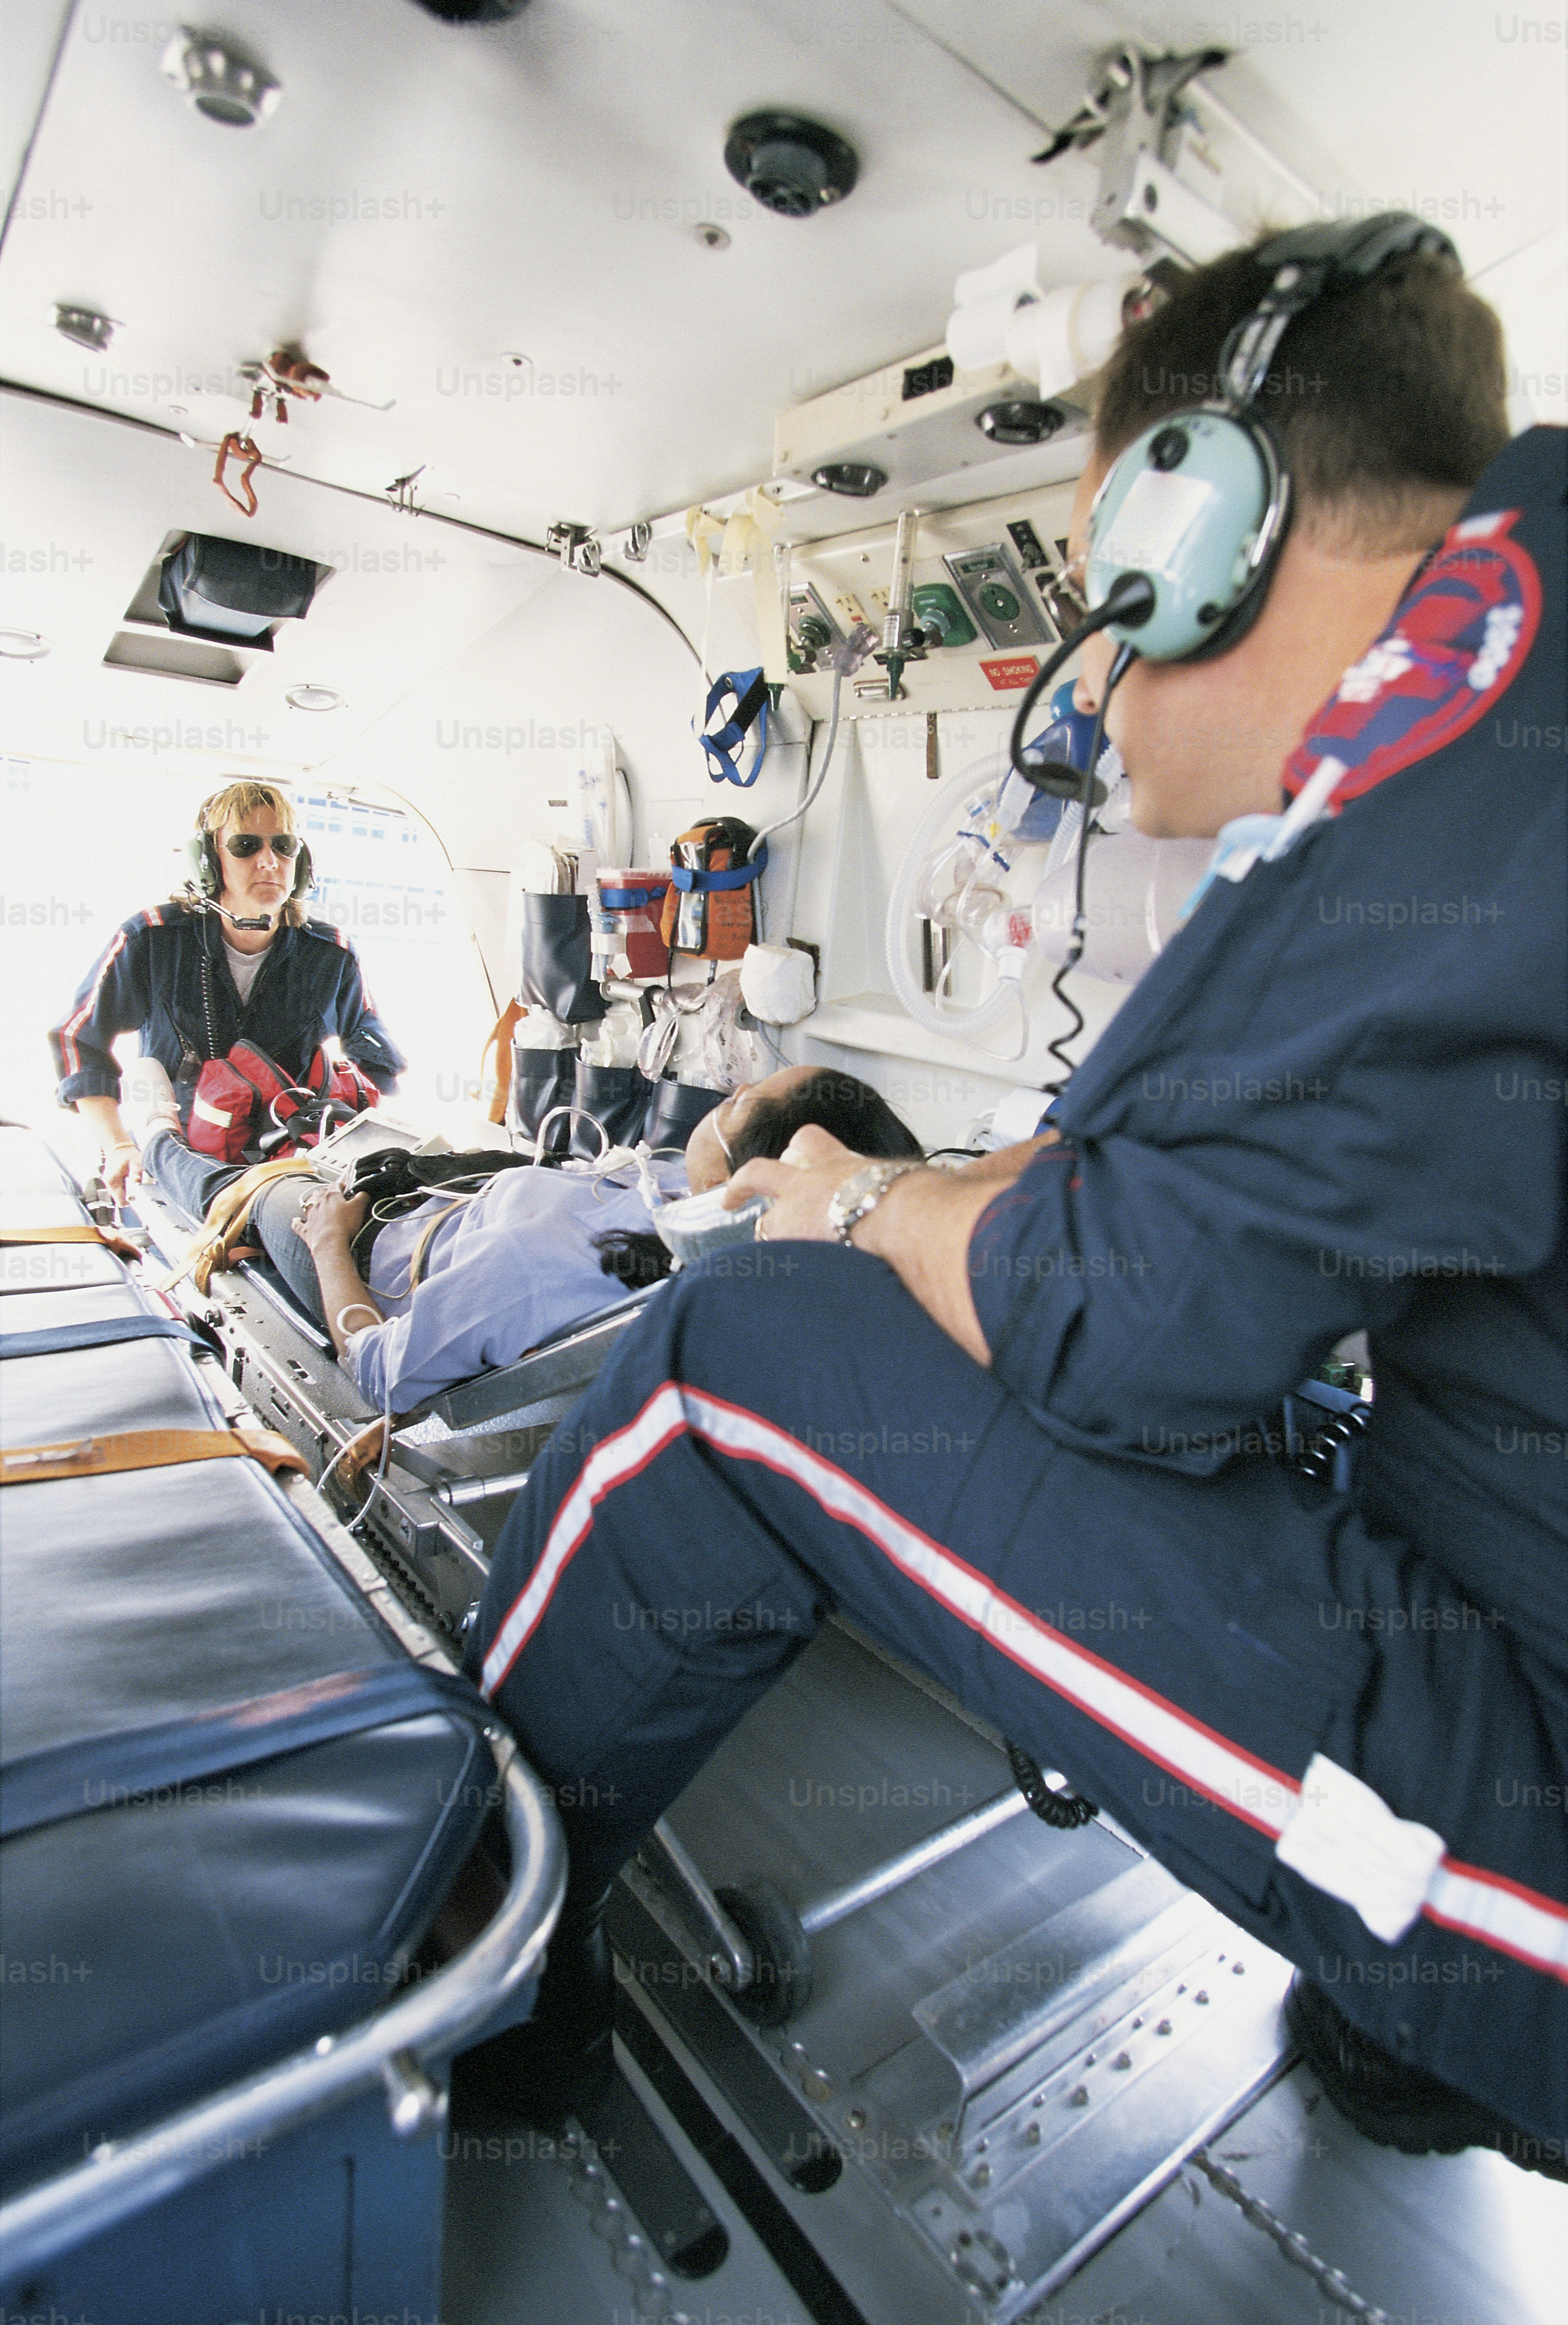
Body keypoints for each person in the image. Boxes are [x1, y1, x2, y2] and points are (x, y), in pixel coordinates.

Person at [467, 224, 1568, 2167]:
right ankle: (1434, 2026)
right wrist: (938, 1192)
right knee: (1310, 1402)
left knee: (737, 1349)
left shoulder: (1467, 704)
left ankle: (452, 1964)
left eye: (1096, 593)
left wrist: (864, 1208)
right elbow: (1248, 1225)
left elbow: (1119, 1321)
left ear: (1197, 517)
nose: (1093, 661)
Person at [129, 1060, 922, 1411]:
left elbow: (378, 1373)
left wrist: (331, 1239)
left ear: (752, 1183)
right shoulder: (697, 1199)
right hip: (443, 1203)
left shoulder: (537, 1271)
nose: (735, 1088)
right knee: (325, 1143)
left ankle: (152, 1143)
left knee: (261, 1187)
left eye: (747, 1099)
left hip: (372, 1255)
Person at [48, 780, 404, 1202]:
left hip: (284, 1171)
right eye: (246, 845)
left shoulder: (331, 956)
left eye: (284, 845)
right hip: (176, 1161)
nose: (270, 862)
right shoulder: (152, 939)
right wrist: (119, 1145)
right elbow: (78, 1041)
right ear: (209, 862)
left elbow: (377, 1063)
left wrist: (329, 1124)